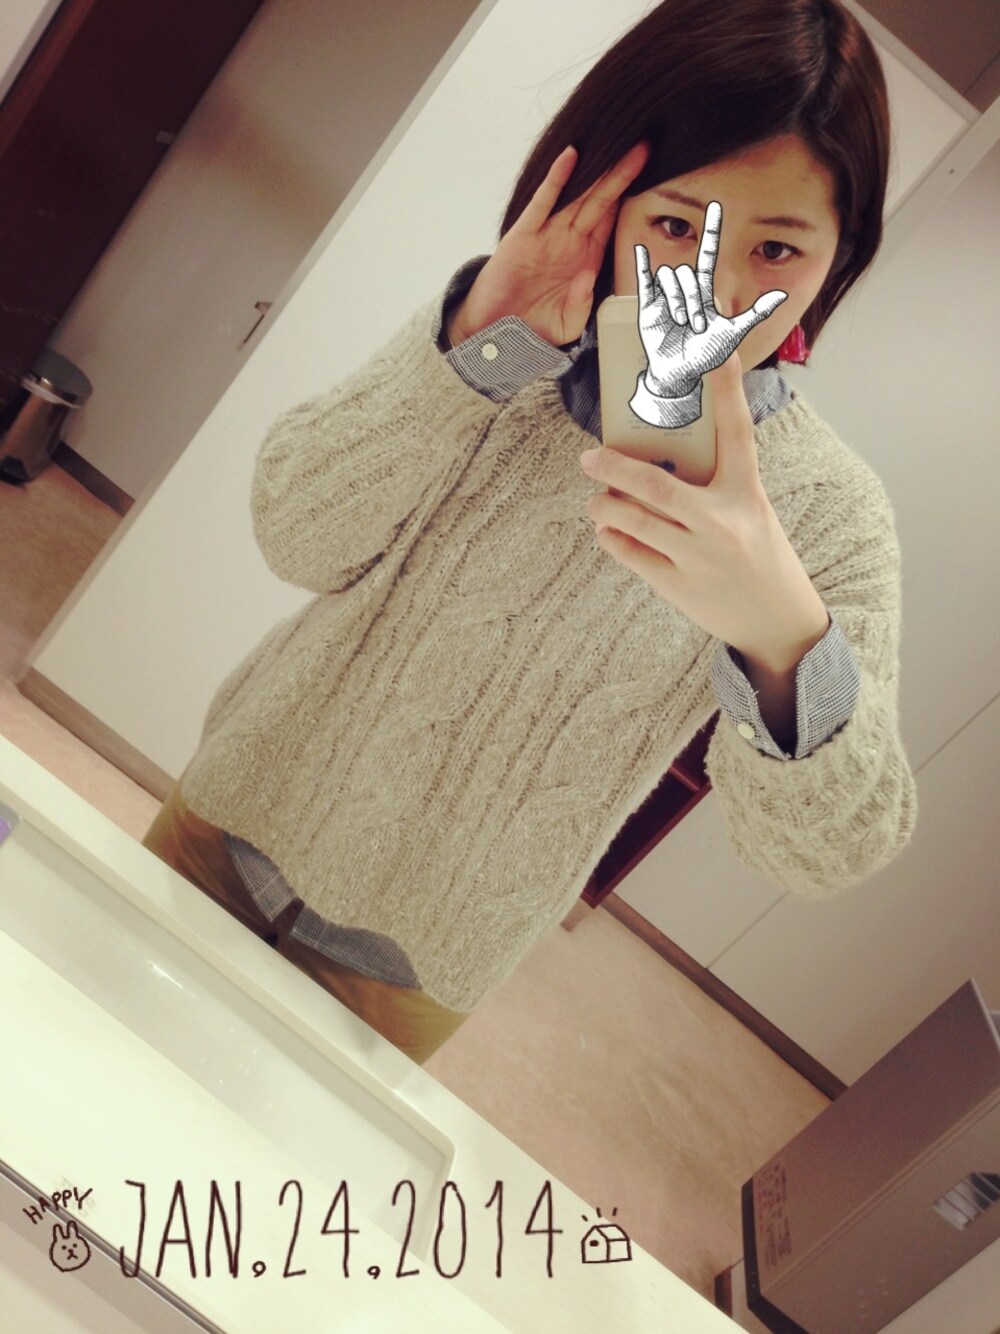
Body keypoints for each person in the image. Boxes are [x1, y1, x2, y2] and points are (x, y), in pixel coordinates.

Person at [143, 0, 917, 1064]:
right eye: (675, 227)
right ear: (604, 198)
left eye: (777, 246)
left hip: (416, 964)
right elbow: (295, 536)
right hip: (230, 816)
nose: (716, 294)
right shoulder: (501, 350)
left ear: (842, 255)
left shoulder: (831, 516)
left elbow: (825, 853)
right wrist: (470, 347)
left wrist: (782, 635)